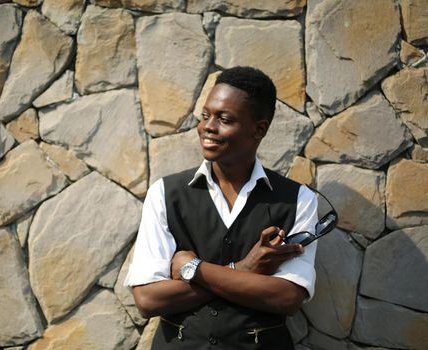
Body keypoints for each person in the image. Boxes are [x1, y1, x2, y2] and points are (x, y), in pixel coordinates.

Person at [124, 66, 318, 349]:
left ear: (258, 129)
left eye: (224, 119)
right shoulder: (165, 194)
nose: (208, 127)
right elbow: (148, 299)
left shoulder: (298, 200)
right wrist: (245, 268)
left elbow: (286, 298)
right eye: (205, 115)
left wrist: (193, 268)